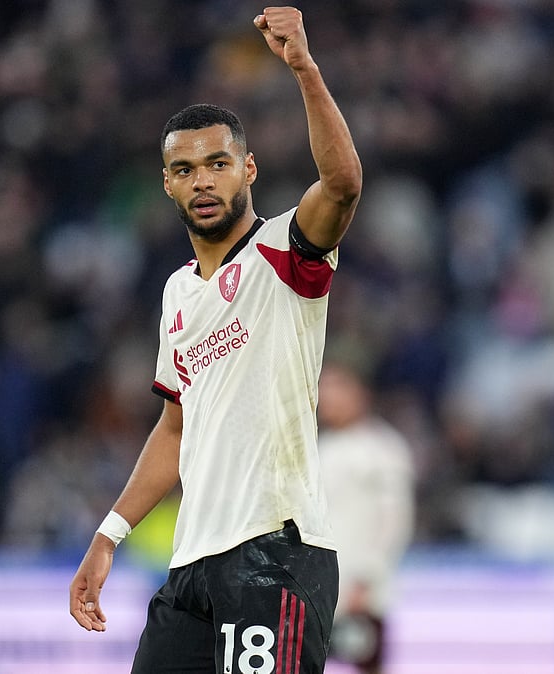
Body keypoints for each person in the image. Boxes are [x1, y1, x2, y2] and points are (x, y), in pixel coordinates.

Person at [68, 7, 362, 674]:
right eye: (187, 169)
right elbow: (176, 428)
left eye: (219, 163)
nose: (203, 179)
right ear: (168, 184)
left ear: (249, 170)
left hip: (276, 552)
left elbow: (343, 185)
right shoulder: (177, 293)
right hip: (192, 564)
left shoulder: (284, 251)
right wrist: (110, 535)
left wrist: (302, 68)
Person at [317, 360, 416, 674]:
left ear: (360, 393)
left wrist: (368, 577)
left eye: (336, 387)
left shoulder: (384, 449)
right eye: (324, 387)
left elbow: (395, 521)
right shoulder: (315, 448)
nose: (326, 396)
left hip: (361, 593)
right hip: (316, 590)